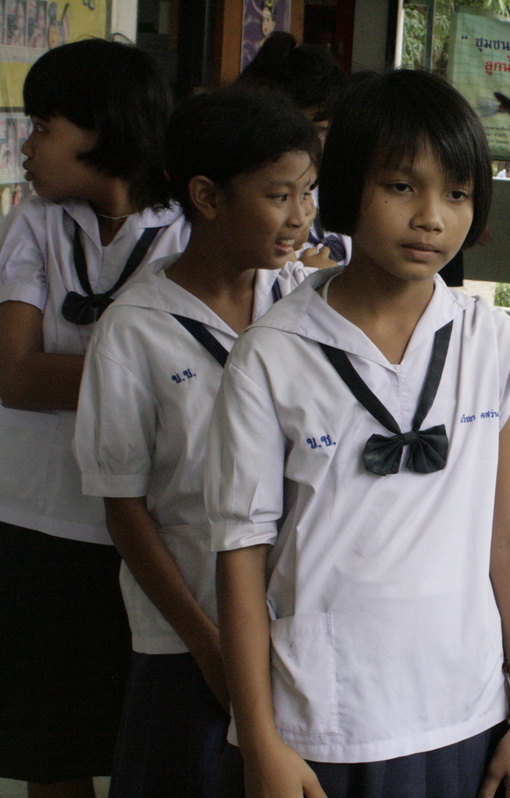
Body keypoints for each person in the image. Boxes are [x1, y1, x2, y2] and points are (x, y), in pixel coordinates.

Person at [206, 69, 510, 798]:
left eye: (456, 193)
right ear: (345, 189)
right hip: (320, 718)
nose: (431, 218)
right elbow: (240, 554)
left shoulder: (497, 348)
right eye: (401, 186)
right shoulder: (271, 355)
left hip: (461, 711)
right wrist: (259, 739)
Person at [73, 85, 321, 798]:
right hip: (189, 634)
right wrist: (209, 646)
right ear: (208, 197)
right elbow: (125, 508)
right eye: (279, 195)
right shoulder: (135, 328)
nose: (301, 216)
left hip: (297, 621)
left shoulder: (305, 303)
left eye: (308, 192)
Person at [0, 39, 188, 798]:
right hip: (31, 516)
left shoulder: (188, 231)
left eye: (44, 127)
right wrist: (146, 380)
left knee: (150, 737)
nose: (27, 146)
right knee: (49, 749)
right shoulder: (34, 222)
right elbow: (13, 374)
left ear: (103, 130)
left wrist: (149, 383)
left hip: (148, 524)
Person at [238, 30, 349, 268]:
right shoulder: (240, 199)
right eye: (315, 129)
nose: (313, 143)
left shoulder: (335, 191)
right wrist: (309, 277)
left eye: (324, 130)